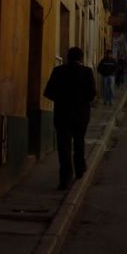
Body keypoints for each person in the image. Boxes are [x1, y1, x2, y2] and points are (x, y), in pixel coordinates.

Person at [44, 47, 96, 190]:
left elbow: (48, 92)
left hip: (62, 114)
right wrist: (82, 101)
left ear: (68, 57)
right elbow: (92, 94)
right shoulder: (87, 72)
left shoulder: (58, 71)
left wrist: (61, 99)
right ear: (81, 58)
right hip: (81, 115)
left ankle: (65, 178)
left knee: (63, 147)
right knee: (79, 142)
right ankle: (79, 169)